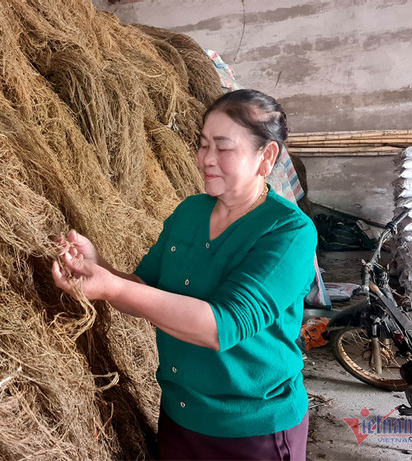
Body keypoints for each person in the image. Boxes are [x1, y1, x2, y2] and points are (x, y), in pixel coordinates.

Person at [52, 89, 316, 460]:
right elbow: (143, 290)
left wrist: (111, 287)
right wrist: (99, 268)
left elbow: (220, 326)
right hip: (180, 416)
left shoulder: (288, 232)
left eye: (223, 148)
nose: (206, 159)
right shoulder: (190, 211)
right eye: (203, 144)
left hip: (252, 428)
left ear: (266, 156)